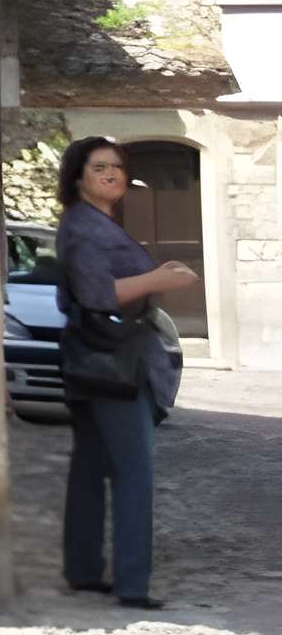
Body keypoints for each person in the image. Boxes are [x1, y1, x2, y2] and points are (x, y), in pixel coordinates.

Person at [54, 135, 201, 608]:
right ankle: (132, 585)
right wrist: (159, 279)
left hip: (96, 355)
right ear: (78, 176)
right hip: (114, 359)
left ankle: (83, 571)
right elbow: (100, 294)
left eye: (117, 167)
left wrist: (158, 275)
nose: (112, 174)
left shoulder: (95, 222)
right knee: (134, 472)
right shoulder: (85, 226)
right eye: (100, 168)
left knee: (90, 467)